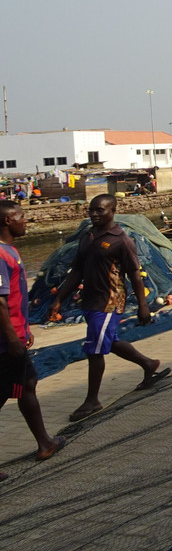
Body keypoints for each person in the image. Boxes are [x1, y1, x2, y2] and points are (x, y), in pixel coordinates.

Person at [48, 195, 168, 421]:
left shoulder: (121, 240)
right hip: (90, 300)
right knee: (107, 340)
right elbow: (77, 272)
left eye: (100, 211)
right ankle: (148, 363)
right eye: (91, 210)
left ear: (113, 211)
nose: (94, 214)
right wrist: (58, 299)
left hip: (110, 301)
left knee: (94, 349)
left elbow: (135, 275)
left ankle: (92, 400)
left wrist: (143, 306)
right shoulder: (87, 237)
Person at [0, 201, 65, 478]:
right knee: (15, 388)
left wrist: (24, 329)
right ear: (7, 221)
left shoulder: (11, 251)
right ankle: (45, 442)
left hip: (14, 334)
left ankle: (44, 442)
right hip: (5, 341)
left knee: (27, 384)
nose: (25, 221)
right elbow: (0, 302)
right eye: (20, 217)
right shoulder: (1, 256)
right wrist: (13, 338)